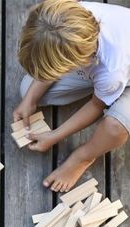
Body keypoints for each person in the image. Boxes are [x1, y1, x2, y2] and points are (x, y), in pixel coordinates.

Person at [14, 0, 130, 192]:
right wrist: (30, 100)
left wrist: (54, 136)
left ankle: (82, 157)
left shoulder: (112, 70)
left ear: (77, 61)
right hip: (95, 64)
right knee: (27, 89)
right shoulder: (67, 16)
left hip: (119, 76)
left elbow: (95, 106)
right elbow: (54, 50)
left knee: (115, 128)